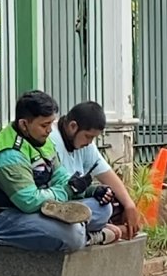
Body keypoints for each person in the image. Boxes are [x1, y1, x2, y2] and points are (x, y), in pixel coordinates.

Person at [0, 90, 119, 252]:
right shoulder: (8, 153)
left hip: (41, 209)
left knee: (103, 208)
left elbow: (61, 178)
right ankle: (88, 237)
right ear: (24, 124)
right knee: (74, 235)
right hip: (4, 219)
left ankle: (76, 229)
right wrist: (68, 190)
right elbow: (29, 202)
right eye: (44, 125)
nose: (50, 130)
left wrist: (88, 191)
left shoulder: (42, 141)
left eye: (51, 124)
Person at [50, 101, 140, 240]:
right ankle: (101, 233)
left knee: (108, 206)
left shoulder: (82, 141)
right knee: (95, 211)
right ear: (73, 126)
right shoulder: (51, 139)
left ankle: (99, 228)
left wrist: (129, 205)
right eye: (88, 136)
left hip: (76, 203)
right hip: (55, 205)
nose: (90, 142)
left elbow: (105, 173)